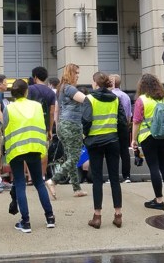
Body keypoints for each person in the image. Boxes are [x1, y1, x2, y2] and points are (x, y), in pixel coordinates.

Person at [3, 79, 55, 234]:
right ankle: (50, 217)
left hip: (16, 149)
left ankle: (25, 222)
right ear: (26, 91)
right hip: (35, 147)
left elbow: (4, 126)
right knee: (39, 182)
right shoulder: (37, 106)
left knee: (20, 183)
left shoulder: (9, 108)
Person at [82, 72, 126, 229]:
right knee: (115, 178)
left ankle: (97, 216)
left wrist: (85, 135)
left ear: (95, 83)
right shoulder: (116, 99)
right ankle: (118, 215)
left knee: (97, 179)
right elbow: (122, 121)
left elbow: (86, 120)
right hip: (113, 141)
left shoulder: (90, 99)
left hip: (95, 143)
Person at [131, 73, 164, 210]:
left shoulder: (142, 100)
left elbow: (136, 122)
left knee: (154, 167)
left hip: (148, 138)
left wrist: (133, 139)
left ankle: (158, 200)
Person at [46, 63, 88, 199]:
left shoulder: (60, 89)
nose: (77, 76)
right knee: (74, 157)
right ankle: (53, 180)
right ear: (70, 73)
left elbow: (57, 110)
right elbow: (86, 100)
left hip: (63, 125)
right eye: (76, 73)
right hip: (72, 125)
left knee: (71, 158)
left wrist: (58, 127)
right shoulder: (70, 89)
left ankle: (77, 188)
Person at [27, 67, 56, 180]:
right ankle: (42, 176)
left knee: (29, 151)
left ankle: (30, 177)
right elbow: (52, 111)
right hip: (43, 126)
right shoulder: (51, 92)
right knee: (43, 151)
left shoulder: (30, 89)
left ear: (35, 77)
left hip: (30, 125)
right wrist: (49, 128)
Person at [109, 74, 133, 183]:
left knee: (112, 152)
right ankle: (126, 176)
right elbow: (129, 115)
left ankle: (113, 177)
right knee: (124, 151)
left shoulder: (109, 95)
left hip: (112, 127)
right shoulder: (126, 96)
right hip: (124, 127)